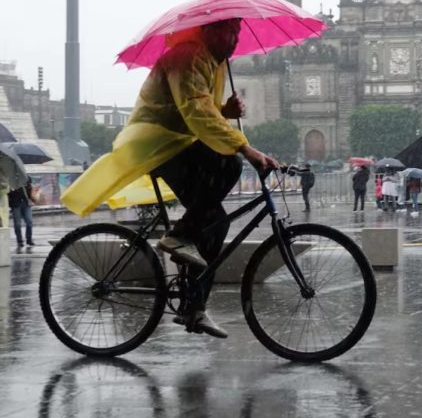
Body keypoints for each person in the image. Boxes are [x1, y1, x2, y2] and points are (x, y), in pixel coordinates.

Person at [61, 18, 280, 339]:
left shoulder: (213, 63)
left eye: (238, 32)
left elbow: (200, 109)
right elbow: (195, 112)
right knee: (230, 165)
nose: (235, 39)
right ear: (208, 31)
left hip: (177, 142)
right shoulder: (188, 56)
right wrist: (247, 149)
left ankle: (194, 307)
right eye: (228, 31)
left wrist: (224, 111)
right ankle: (178, 236)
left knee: (214, 223)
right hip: (155, 142)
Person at [8, 177, 34, 247]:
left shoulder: (27, 178)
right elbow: (8, 193)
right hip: (15, 204)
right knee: (17, 224)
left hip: (26, 203)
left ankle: (29, 239)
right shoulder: (10, 179)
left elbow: (30, 188)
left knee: (29, 222)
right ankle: (19, 241)